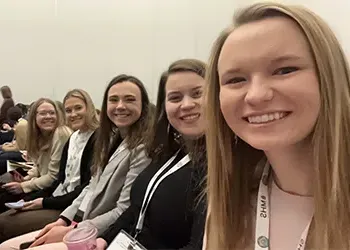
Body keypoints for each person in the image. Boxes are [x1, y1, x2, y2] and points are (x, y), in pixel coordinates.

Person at [203, 2, 350, 250]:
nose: (256, 95)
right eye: (236, 79)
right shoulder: (229, 208)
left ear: (329, 77)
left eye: (284, 70)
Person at [0, 74, 153, 249]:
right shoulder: (106, 140)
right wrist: (63, 220)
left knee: (6, 229)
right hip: (77, 213)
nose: (120, 106)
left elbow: (124, 209)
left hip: (96, 227)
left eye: (129, 99)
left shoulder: (140, 148)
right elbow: (88, 185)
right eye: (113, 100)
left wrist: (72, 226)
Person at [96, 59, 207, 250]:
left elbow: (199, 245)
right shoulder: (170, 151)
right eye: (175, 97)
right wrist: (104, 239)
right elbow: (136, 209)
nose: (187, 104)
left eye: (198, 94)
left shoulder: (220, 166)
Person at [0, 89, 99, 242]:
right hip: (56, 195)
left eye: (78, 108)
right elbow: (55, 176)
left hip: (67, 206)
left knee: (5, 220)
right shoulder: (73, 137)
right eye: (68, 110)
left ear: (90, 108)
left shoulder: (65, 134)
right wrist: (31, 189)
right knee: (7, 192)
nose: (73, 114)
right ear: (34, 117)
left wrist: (30, 190)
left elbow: (77, 186)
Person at [0, 98, 72, 213]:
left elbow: (53, 177)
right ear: (34, 117)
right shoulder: (40, 136)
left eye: (52, 113)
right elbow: (39, 166)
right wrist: (27, 178)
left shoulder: (61, 133)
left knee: (5, 160)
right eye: (43, 113)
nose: (48, 116)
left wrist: (24, 185)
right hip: (43, 183)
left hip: (54, 190)